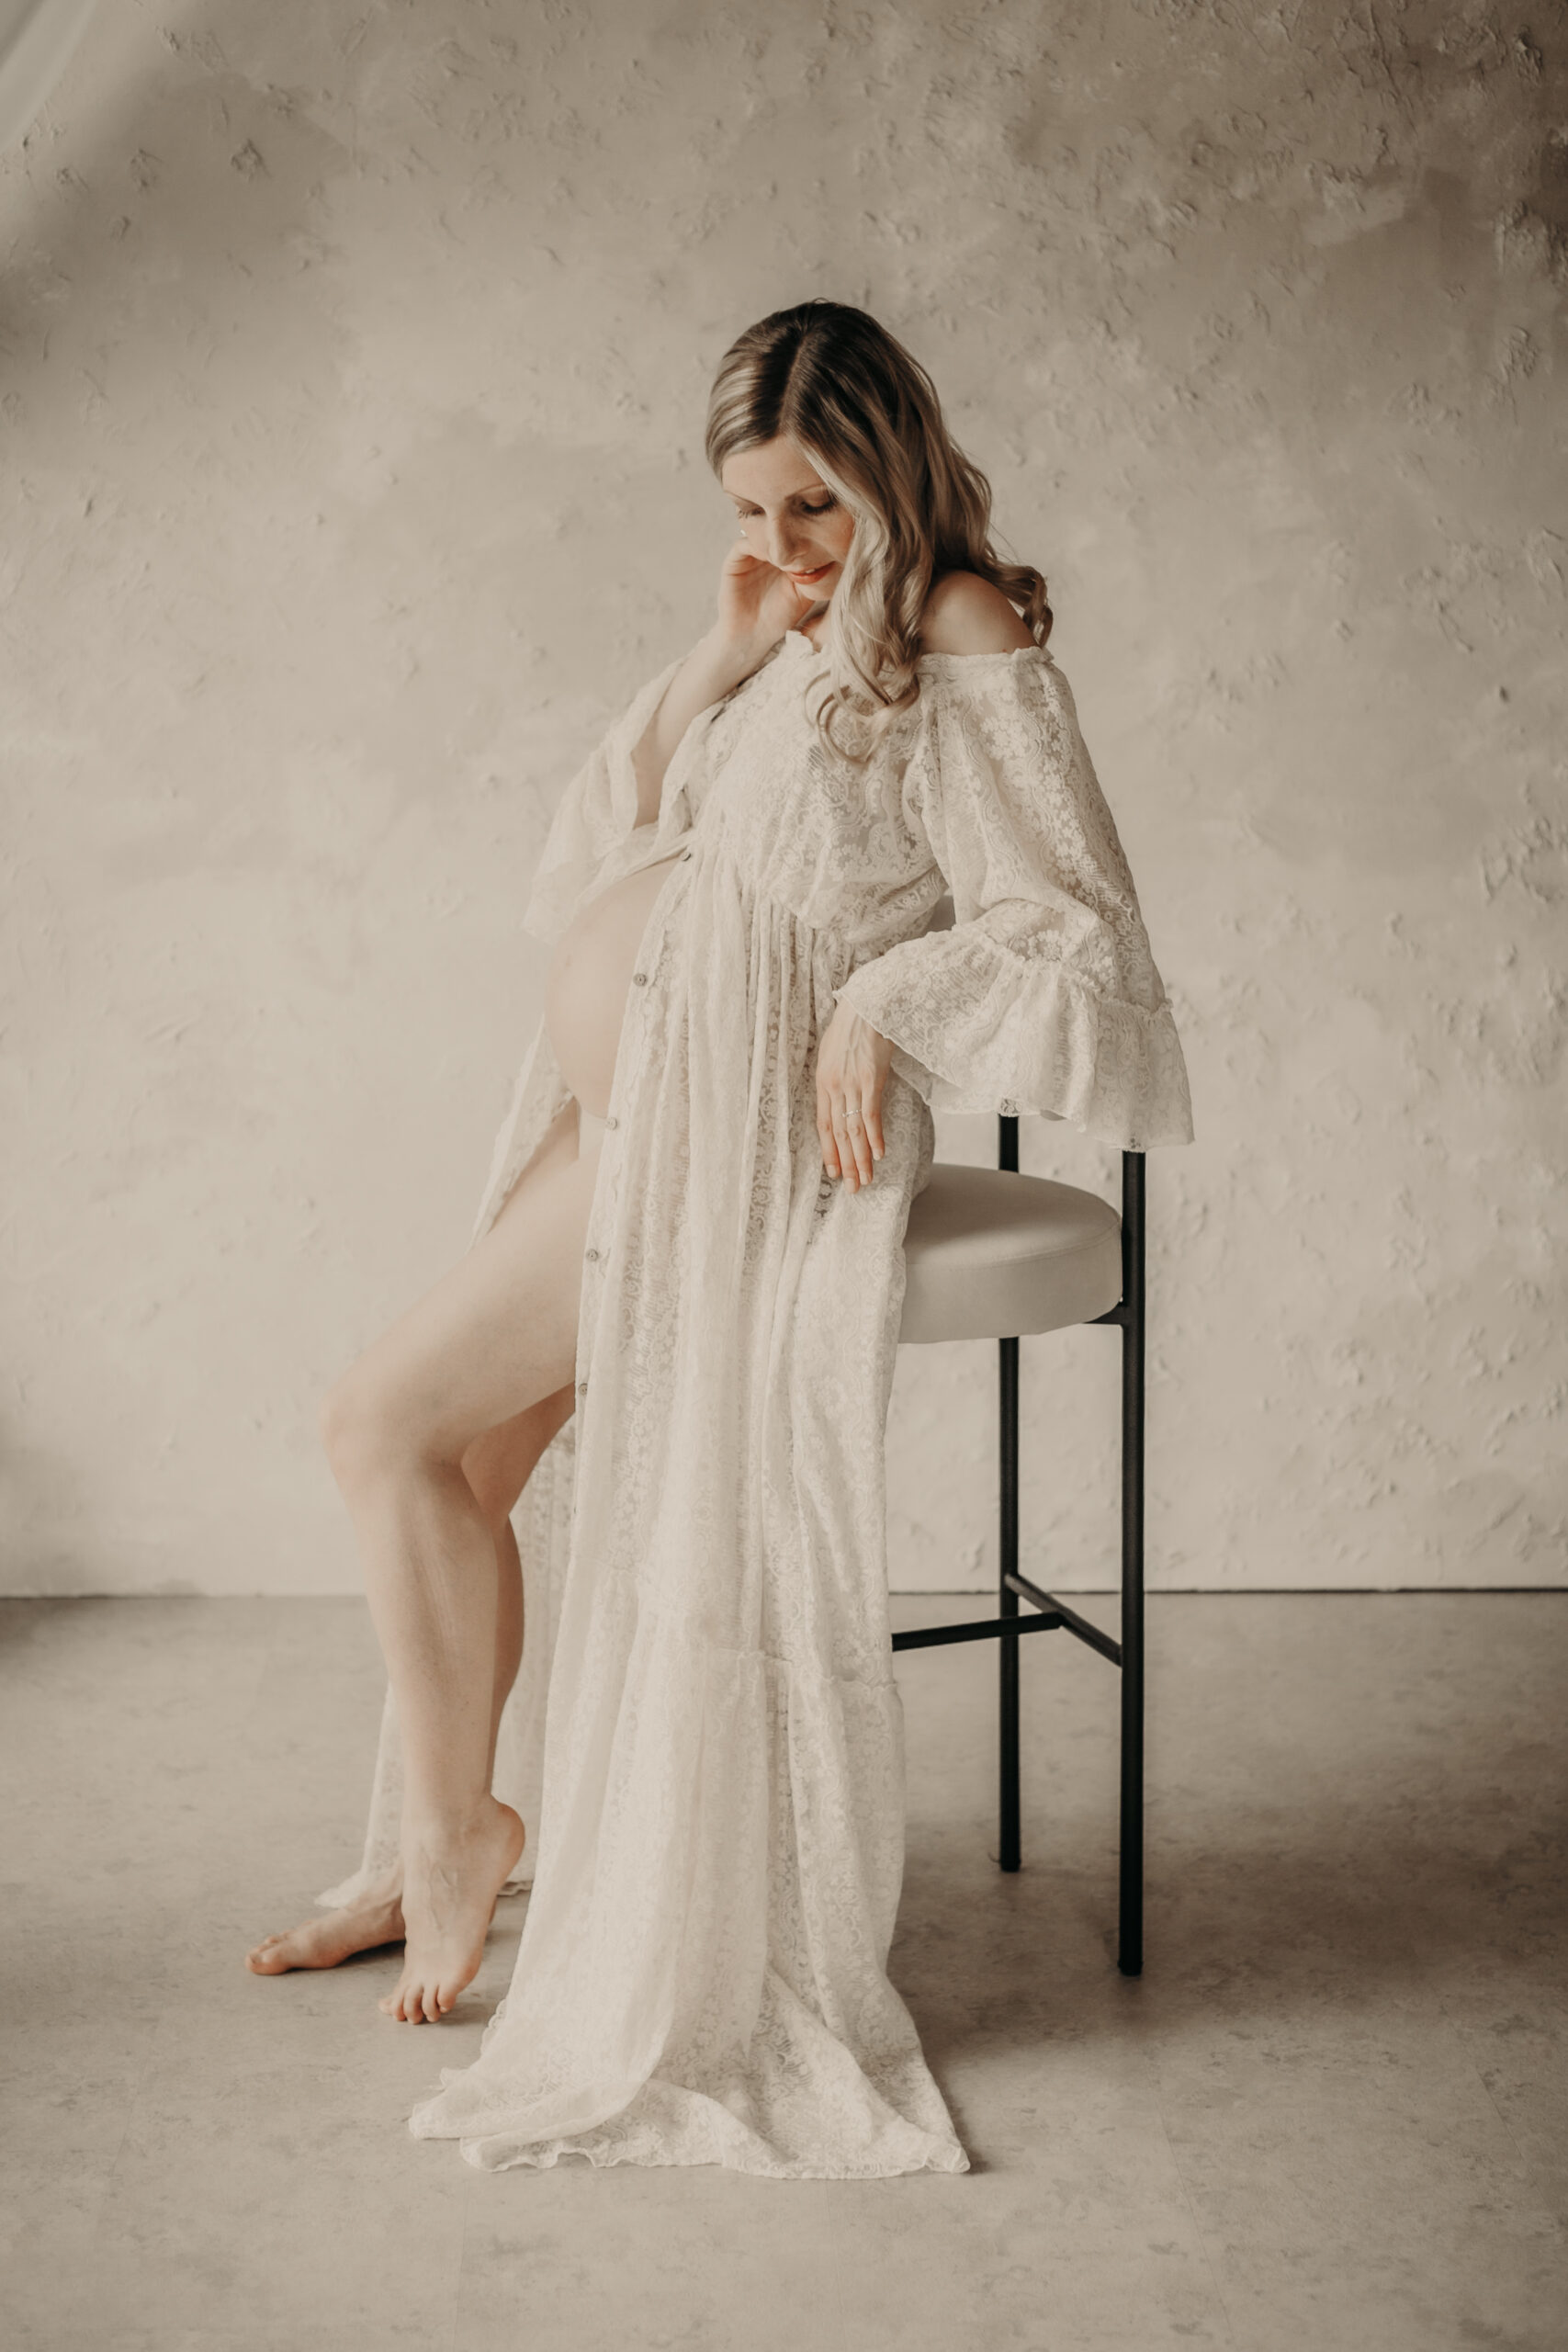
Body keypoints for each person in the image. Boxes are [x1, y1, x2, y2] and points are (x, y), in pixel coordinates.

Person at [246, 300, 1195, 2177]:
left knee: (381, 1424)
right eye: (750, 507)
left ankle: (455, 1841)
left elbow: (1077, 925)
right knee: (460, 1458)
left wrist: (886, 1004)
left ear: (891, 462)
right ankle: (443, 1832)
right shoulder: (789, 627)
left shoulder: (960, 626)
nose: (783, 540)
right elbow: (607, 849)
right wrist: (722, 646)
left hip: (742, 1129)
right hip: (624, 1117)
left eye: (813, 503)